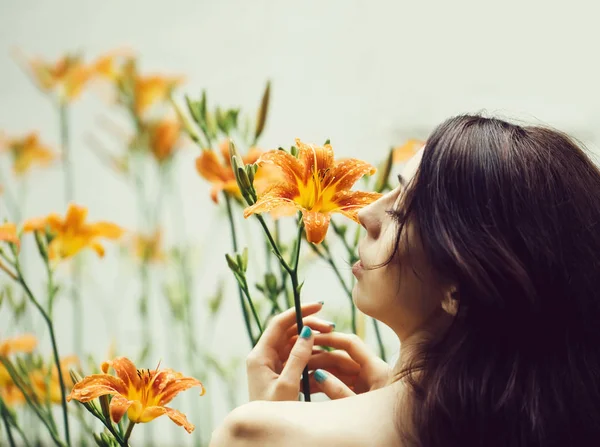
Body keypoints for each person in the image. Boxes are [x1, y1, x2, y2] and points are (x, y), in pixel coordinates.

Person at [209, 115, 600, 447]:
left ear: (458, 287)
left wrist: (274, 427)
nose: (365, 212)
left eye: (401, 210)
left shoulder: (254, 432)